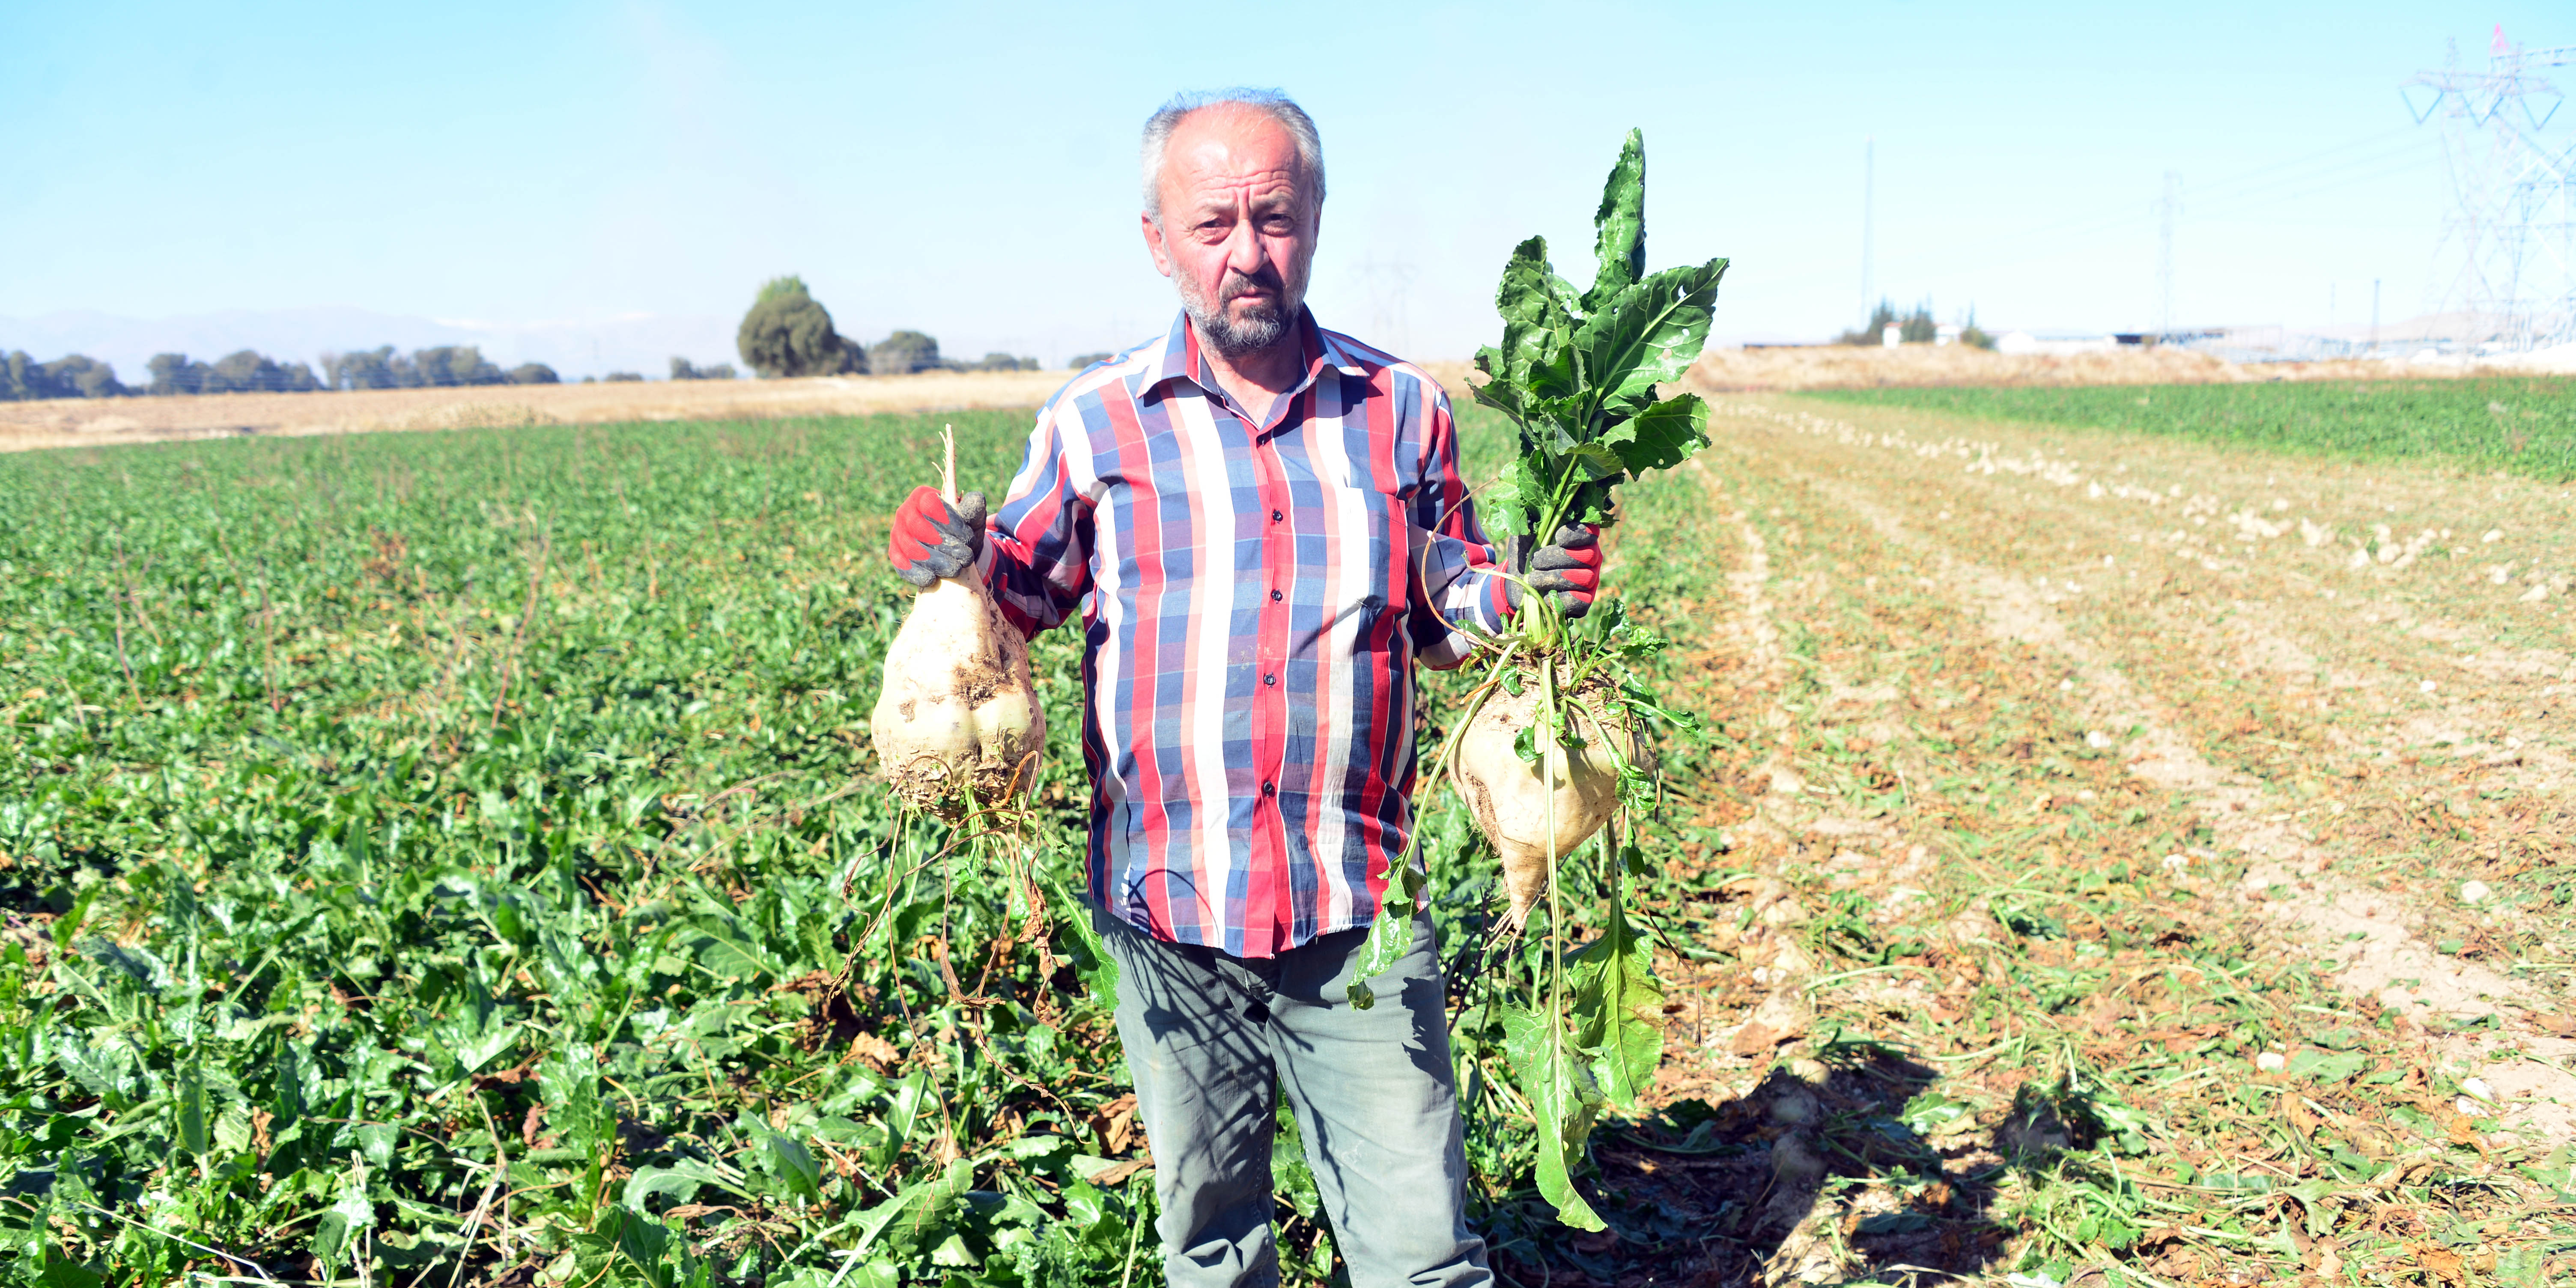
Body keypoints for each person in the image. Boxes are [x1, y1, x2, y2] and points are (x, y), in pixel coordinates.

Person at [884, 89, 1601, 1288]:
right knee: (1213, 1249)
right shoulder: (1095, 421)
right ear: (1159, 241)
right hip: (1167, 908)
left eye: (1273, 218)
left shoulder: (1402, 411)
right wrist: (952, 560)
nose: (1247, 253)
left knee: (1422, 1254)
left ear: (1314, 222)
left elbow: (1443, 607)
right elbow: (1019, 592)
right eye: (1212, 224)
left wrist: (1524, 593)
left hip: (1359, 904)